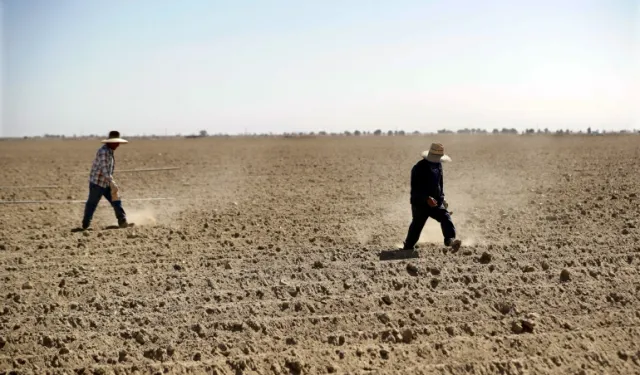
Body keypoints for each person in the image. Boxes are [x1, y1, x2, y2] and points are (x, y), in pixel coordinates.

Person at [403, 142, 461, 251]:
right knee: (417, 225)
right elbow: (416, 189)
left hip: (435, 203)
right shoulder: (418, 168)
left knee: (445, 216)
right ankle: (407, 247)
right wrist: (426, 198)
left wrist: (442, 198)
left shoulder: (438, 166)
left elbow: (440, 184)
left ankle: (450, 240)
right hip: (420, 203)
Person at [81, 131, 130, 230]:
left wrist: (111, 182)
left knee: (116, 200)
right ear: (110, 142)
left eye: (118, 142)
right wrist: (112, 182)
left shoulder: (110, 151)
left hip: (106, 182)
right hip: (97, 183)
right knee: (92, 204)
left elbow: (107, 170)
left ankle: (122, 221)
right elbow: (104, 169)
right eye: (116, 142)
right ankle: (85, 225)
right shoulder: (103, 152)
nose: (118, 145)